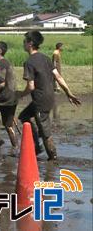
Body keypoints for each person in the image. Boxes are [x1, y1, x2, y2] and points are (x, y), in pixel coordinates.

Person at [18, 31, 80, 161]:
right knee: (23, 116)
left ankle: (53, 158)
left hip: (41, 100)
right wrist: (68, 92)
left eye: (25, 41)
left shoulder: (29, 62)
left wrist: (20, 95)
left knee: (45, 132)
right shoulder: (45, 58)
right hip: (49, 97)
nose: (23, 43)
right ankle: (36, 145)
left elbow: (30, 87)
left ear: (30, 43)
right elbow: (57, 76)